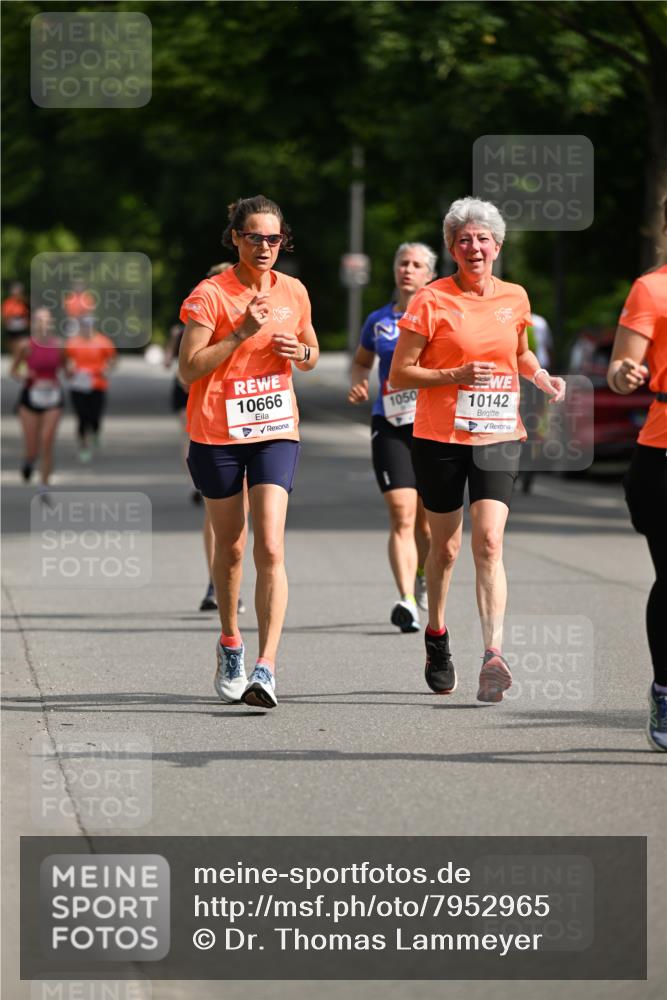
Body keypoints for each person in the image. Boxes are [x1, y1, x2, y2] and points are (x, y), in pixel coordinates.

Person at [389, 196, 565, 701]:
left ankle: (493, 653)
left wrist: (540, 376)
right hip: (440, 436)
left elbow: (521, 351)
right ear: (450, 247)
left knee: (488, 542)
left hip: (497, 433)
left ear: (497, 246)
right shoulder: (431, 300)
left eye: (483, 239)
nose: (474, 247)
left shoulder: (515, 296)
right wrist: (455, 375)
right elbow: (401, 372)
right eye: (464, 239)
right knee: (444, 547)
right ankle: (438, 636)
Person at [178, 195, 319, 709]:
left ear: (284, 242)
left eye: (274, 238)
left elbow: (311, 352)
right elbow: (188, 369)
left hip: (275, 429)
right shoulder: (210, 295)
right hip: (216, 432)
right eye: (255, 237)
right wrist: (242, 332)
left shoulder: (294, 291)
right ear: (235, 237)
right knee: (232, 547)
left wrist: (300, 353)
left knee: (272, 546)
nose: (265, 247)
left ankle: (267, 667)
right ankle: (231, 643)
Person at [348, 243, 434, 632]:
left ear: (430, 274)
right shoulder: (379, 321)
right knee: (402, 514)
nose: (408, 270)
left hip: (433, 426)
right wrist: (358, 384)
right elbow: (362, 361)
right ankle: (407, 599)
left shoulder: (443, 316)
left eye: (417, 265)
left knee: (429, 525)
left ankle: (421, 573)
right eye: (403, 263)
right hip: (391, 424)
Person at [607, 199, 667, 752]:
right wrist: (627, 372)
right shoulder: (652, 289)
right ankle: (665, 688)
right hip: (662, 454)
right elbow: (621, 372)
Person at [165, 264, 247, 615]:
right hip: (212, 419)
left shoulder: (257, 313)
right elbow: (186, 373)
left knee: (244, 512)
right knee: (216, 516)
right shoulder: (204, 311)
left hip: (252, 421)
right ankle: (217, 582)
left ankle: (229, 582)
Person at [10, 307, 65, 497]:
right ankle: (28, 461)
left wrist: (73, 372)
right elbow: (13, 371)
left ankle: (44, 486)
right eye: (40, 321)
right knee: (32, 446)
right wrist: (24, 374)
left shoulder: (58, 345)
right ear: (34, 324)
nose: (44, 325)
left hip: (53, 396)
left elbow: (66, 369)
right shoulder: (25, 345)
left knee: (47, 441)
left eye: (47, 321)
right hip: (30, 396)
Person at [64, 315, 117, 461]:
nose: (87, 328)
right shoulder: (73, 343)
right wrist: (69, 369)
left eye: (90, 325)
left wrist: (107, 368)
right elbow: (67, 362)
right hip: (78, 384)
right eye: (84, 325)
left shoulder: (103, 342)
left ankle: (95, 431)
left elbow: (112, 361)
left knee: (95, 416)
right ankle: (83, 446)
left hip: (97, 384)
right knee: (81, 417)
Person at [2, 281, 30, 359]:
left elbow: (27, 313)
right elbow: (5, 315)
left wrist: (26, 321)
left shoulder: (24, 302)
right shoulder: (8, 302)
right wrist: (7, 322)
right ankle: (15, 357)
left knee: (22, 343)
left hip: (22, 326)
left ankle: (20, 358)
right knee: (13, 343)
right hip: (12, 326)